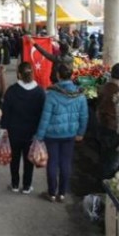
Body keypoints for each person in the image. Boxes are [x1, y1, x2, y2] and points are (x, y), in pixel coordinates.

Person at [35, 64, 88, 202]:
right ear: (71, 75)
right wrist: (80, 132)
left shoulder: (51, 94)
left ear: (58, 75)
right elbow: (84, 116)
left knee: (52, 162)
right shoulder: (80, 95)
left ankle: (52, 193)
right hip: (70, 134)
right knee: (66, 162)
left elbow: (45, 118)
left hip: (52, 135)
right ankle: (62, 193)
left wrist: (39, 136)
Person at [1, 62, 45, 194]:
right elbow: (43, 114)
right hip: (31, 133)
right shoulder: (40, 92)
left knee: (14, 159)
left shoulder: (12, 91)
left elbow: (6, 112)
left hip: (14, 132)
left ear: (19, 74)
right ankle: (27, 186)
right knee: (28, 160)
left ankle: (14, 184)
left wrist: (4, 129)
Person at [97, 63, 119, 179]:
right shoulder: (116, 91)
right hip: (112, 129)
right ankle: (106, 185)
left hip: (102, 126)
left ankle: (102, 180)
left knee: (104, 156)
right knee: (111, 161)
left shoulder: (104, 87)